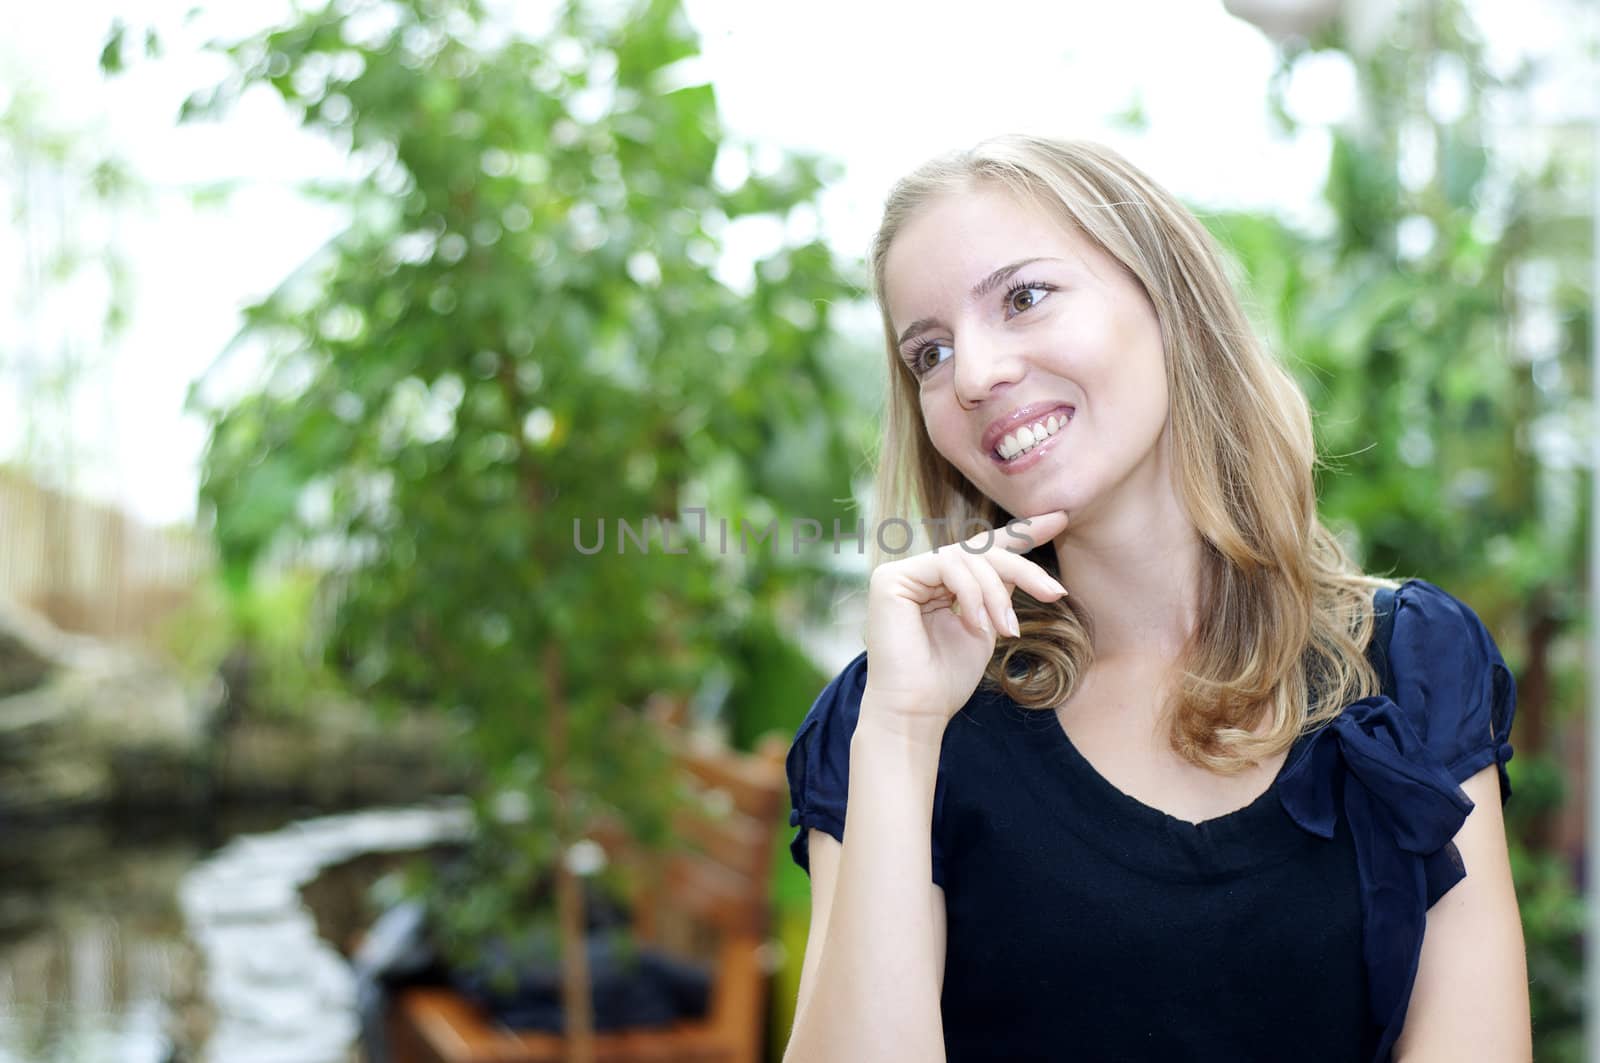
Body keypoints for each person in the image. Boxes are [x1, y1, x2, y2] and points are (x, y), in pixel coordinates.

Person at [780, 136, 1531, 1063]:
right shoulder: (891, 718)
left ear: (1166, 297)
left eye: (1023, 297)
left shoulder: (1414, 664)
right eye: (929, 353)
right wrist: (899, 736)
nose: (972, 376)